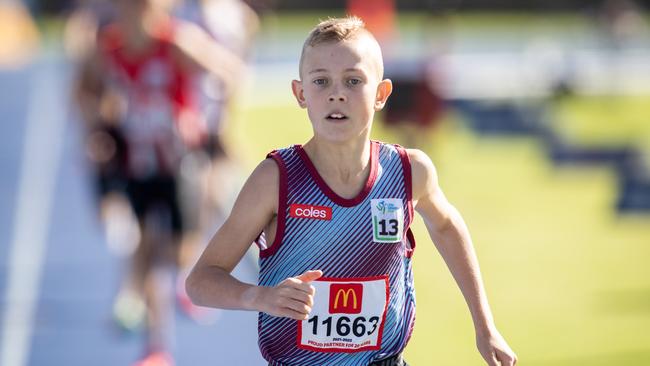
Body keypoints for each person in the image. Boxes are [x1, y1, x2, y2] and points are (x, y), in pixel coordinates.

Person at [186, 16, 517, 366]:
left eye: (353, 80)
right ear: (300, 94)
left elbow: (447, 226)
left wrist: (485, 325)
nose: (336, 93)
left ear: (381, 94)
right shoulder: (276, 180)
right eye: (321, 82)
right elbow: (201, 280)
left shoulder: (409, 172)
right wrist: (260, 297)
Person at [74, 0, 243, 364]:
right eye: (128, 8)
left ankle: (183, 278)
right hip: (137, 163)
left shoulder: (177, 43)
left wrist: (203, 118)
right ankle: (156, 346)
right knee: (148, 246)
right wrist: (100, 128)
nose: (135, 16)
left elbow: (229, 72)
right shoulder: (109, 50)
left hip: (179, 161)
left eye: (143, 8)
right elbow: (83, 93)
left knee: (178, 251)